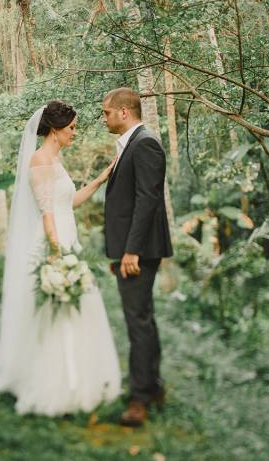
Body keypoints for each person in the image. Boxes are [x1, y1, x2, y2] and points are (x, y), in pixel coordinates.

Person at [0, 100, 121, 416]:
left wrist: (102, 178)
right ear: (55, 129)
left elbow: (69, 202)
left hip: (67, 238)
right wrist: (56, 251)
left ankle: (79, 377)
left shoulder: (55, 160)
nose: (75, 133)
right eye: (72, 127)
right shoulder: (39, 161)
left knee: (75, 309)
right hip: (56, 242)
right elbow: (47, 212)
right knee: (56, 312)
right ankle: (57, 384)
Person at [102, 87, 173, 427]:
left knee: (137, 324)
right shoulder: (134, 142)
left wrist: (131, 250)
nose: (104, 118)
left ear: (124, 113)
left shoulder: (144, 143)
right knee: (144, 318)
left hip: (139, 251)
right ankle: (153, 387)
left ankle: (139, 399)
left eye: (106, 113)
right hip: (133, 248)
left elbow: (148, 200)